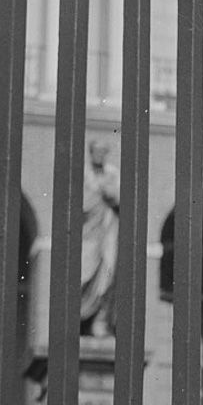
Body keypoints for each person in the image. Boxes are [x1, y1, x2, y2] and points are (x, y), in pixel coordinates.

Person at [80, 140, 121, 336]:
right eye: (97, 152)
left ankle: (99, 320)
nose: (100, 155)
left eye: (103, 152)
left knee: (107, 274)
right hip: (87, 234)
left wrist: (109, 193)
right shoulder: (84, 174)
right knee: (83, 275)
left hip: (106, 233)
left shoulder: (112, 174)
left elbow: (121, 200)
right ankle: (80, 319)